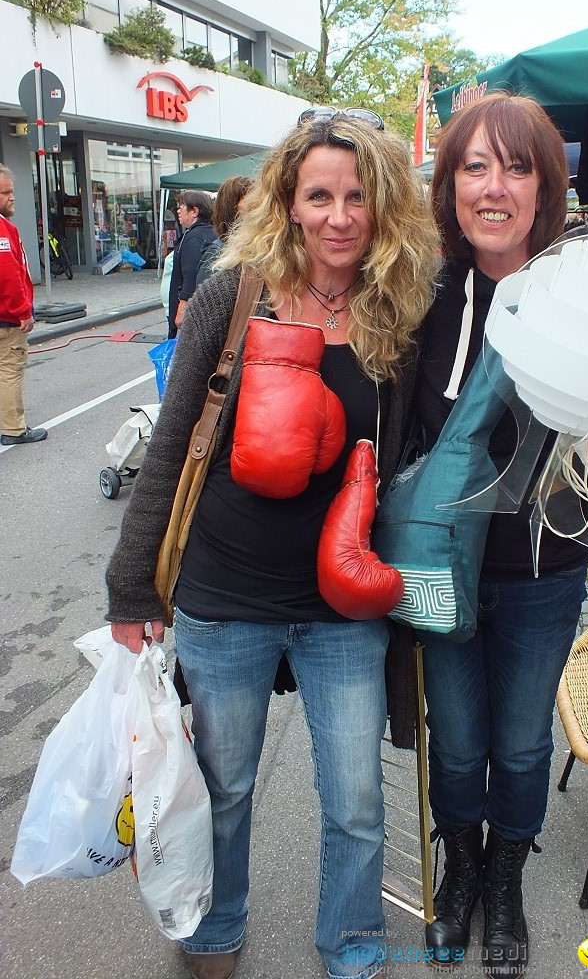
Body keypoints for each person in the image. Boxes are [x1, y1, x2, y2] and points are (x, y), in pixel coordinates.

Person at [105, 108, 441, 979]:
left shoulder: (396, 309)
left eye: (357, 196)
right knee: (224, 792)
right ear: (289, 201)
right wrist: (131, 588)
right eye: (319, 194)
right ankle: (215, 933)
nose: (338, 215)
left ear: (383, 205)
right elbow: (173, 442)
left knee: (358, 800)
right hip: (227, 594)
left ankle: (354, 943)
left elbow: (418, 446)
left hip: (341, 603)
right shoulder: (234, 295)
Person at [417, 93, 588, 977]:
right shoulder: (421, 294)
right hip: (438, 563)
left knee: (524, 742)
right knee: (456, 739)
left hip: (544, 568)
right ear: (451, 184)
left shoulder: (585, 303)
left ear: (546, 185)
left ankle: (505, 877)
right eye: (475, 166)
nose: (494, 187)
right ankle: (458, 869)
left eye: (517, 166)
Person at [0, 165, 47, 446]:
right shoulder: (3, 231)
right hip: (6, 318)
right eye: (5, 193)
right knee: (9, 369)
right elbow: (8, 274)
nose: (12, 197)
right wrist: (23, 312)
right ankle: (13, 428)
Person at [167, 189, 217, 338]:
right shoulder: (209, 233)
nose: (178, 211)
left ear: (194, 211)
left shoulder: (194, 238)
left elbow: (190, 276)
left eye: (182, 207)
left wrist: (181, 310)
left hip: (191, 314)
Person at [196, 175, 252, 288]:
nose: (255, 208)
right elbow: (205, 300)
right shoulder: (217, 252)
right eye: (249, 202)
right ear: (232, 206)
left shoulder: (255, 247)